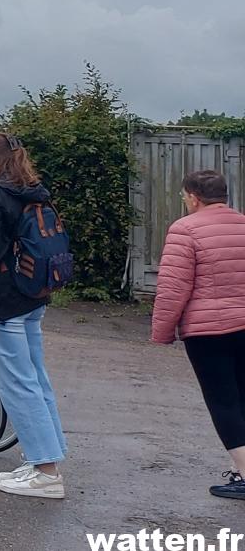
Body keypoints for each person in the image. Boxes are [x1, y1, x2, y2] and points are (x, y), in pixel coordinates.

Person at [0, 130, 68, 498]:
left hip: (3, 300)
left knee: (16, 384)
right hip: (31, 294)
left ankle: (46, 472)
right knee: (35, 378)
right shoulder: (30, 189)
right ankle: (45, 458)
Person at [153, 170, 245, 501]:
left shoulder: (185, 229)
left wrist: (162, 332)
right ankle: (239, 470)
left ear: (193, 197)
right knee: (242, 398)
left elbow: (173, 288)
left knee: (224, 401)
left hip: (208, 333)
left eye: (184, 197)